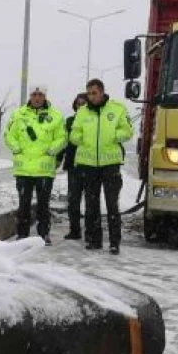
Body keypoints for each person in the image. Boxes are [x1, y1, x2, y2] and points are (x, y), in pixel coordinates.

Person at [70, 78, 134, 254]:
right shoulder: (82, 112)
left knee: (112, 204)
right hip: (89, 165)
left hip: (110, 165)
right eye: (89, 93)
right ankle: (93, 240)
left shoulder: (117, 109)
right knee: (91, 205)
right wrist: (78, 138)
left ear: (102, 92)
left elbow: (128, 131)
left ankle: (114, 242)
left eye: (94, 93)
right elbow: (74, 132)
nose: (91, 97)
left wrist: (114, 135)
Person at [5, 85, 66, 245]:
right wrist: (16, 148)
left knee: (43, 205)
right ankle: (22, 234)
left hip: (44, 169)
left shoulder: (56, 116)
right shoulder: (18, 114)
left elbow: (62, 137)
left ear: (45, 96)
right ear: (30, 96)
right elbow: (9, 135)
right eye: (34, 94)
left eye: (40, 94)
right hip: (23, 168)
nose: (37, 97)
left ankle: (43, 234)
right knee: (23, 204)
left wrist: (52, 151)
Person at [56, 92, 88, 240]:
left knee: (90, 200)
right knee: (73, 200)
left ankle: (91, 231)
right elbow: (63, 142)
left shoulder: (93, 120)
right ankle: (74, 230)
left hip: (90, 166)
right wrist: (58, 159)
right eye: (78, 103)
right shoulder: (69, 121)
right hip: (73, 166)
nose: (80, 106)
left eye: (84, 103)